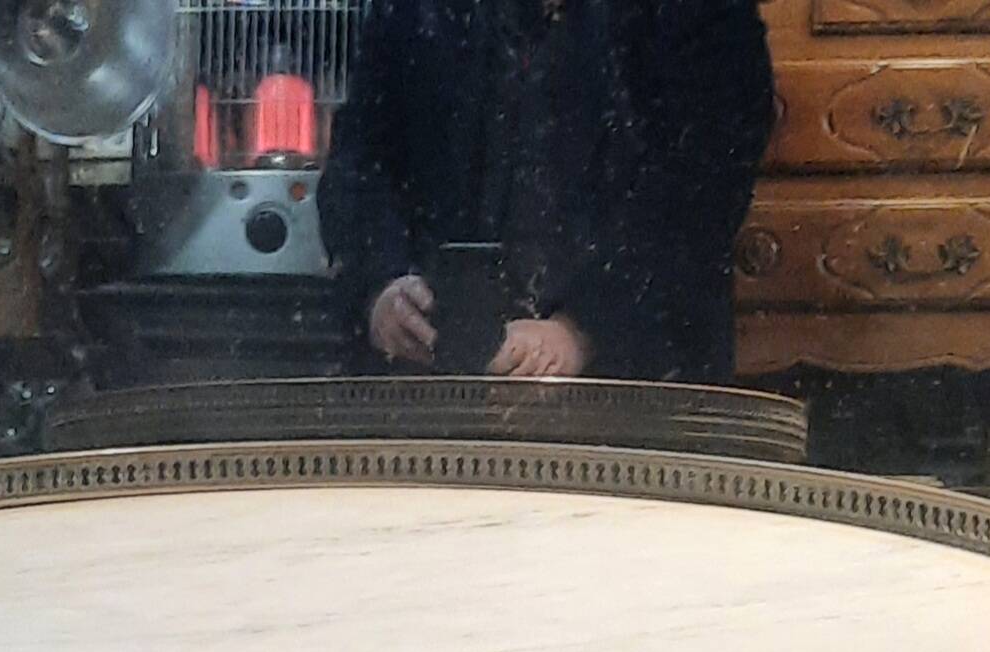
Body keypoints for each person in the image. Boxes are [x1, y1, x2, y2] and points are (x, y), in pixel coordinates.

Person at [317, 0, 777, 383]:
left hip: (637, 387)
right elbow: (360, 161)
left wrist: (583, 330)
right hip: (434, 381)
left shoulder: (702, 12)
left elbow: (702, 191)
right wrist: (380, 289)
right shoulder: (417, 9)